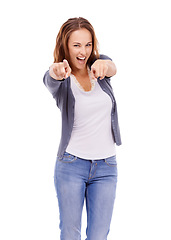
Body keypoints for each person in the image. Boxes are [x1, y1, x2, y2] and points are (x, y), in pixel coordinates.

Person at [43, 17, 121, 240]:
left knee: (99, 236)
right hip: (71, 165)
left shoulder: (101, 69)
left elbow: (112, 67)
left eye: (88, 44)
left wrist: (103, 65)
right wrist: (55, 71)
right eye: (76, 45)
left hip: (106, 166)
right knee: (70, 234)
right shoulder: (61, 80)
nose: (83, 51)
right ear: (66, 46)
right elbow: (50, 78)